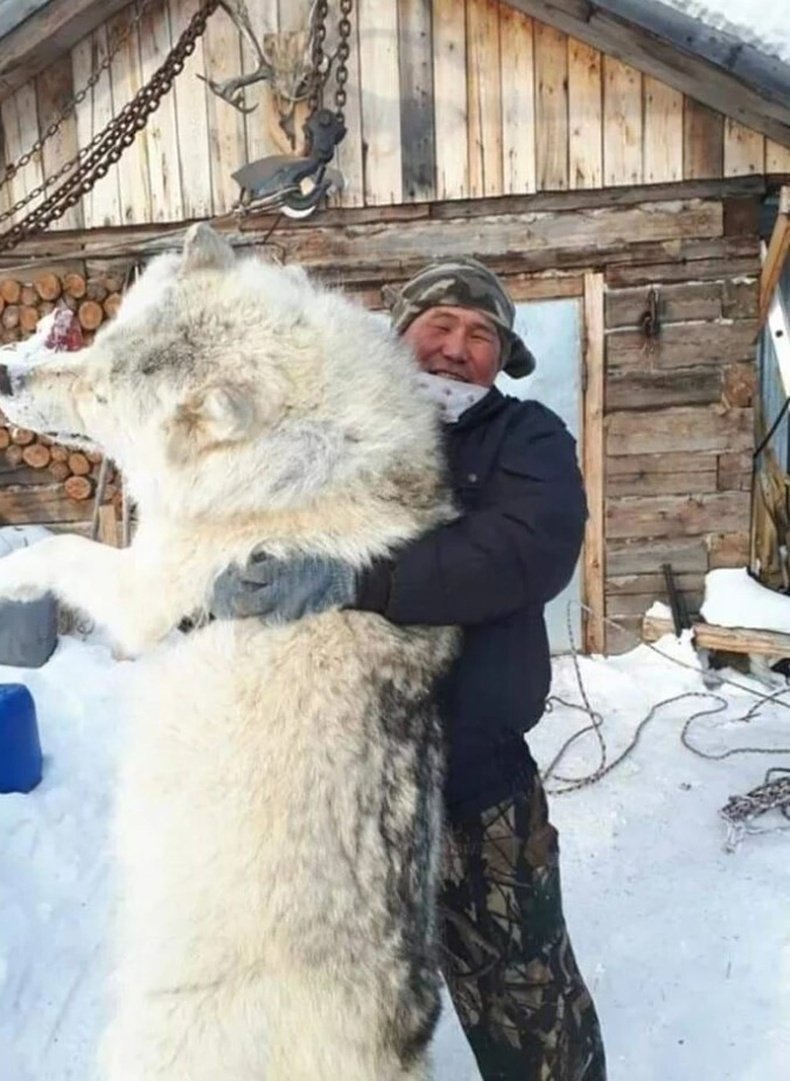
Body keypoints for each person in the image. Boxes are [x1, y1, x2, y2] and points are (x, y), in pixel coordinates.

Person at [214, 258, 606, 1080]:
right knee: (345, 1007)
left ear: (502, 359)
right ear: (398, 334)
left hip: (476, 778)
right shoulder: (333, 431)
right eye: (440, 325)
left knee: (526, 995)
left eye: (481, 335)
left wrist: (361, 578)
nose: (457, 347)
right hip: (337, 789)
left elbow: (530, 548)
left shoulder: (525, 438)